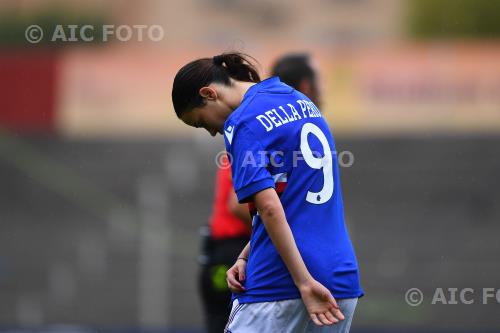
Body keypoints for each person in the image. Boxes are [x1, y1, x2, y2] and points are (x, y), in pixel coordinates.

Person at [172, 53, 363, 333]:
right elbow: (296, 202)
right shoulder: (298, 100)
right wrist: (247, 255)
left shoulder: (243, 123)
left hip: (280, 284)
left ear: (208, 93)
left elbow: (270, 207)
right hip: (339, 281)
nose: (212, 132)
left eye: (201, 122)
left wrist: (304, 282)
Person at [198, 155, 251, 333]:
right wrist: (277, 229)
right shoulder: (250, 147)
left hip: (221, 251)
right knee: (229, 320)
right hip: (232, 252)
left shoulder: (239, 149)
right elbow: (237, 205)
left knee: (222, 320)